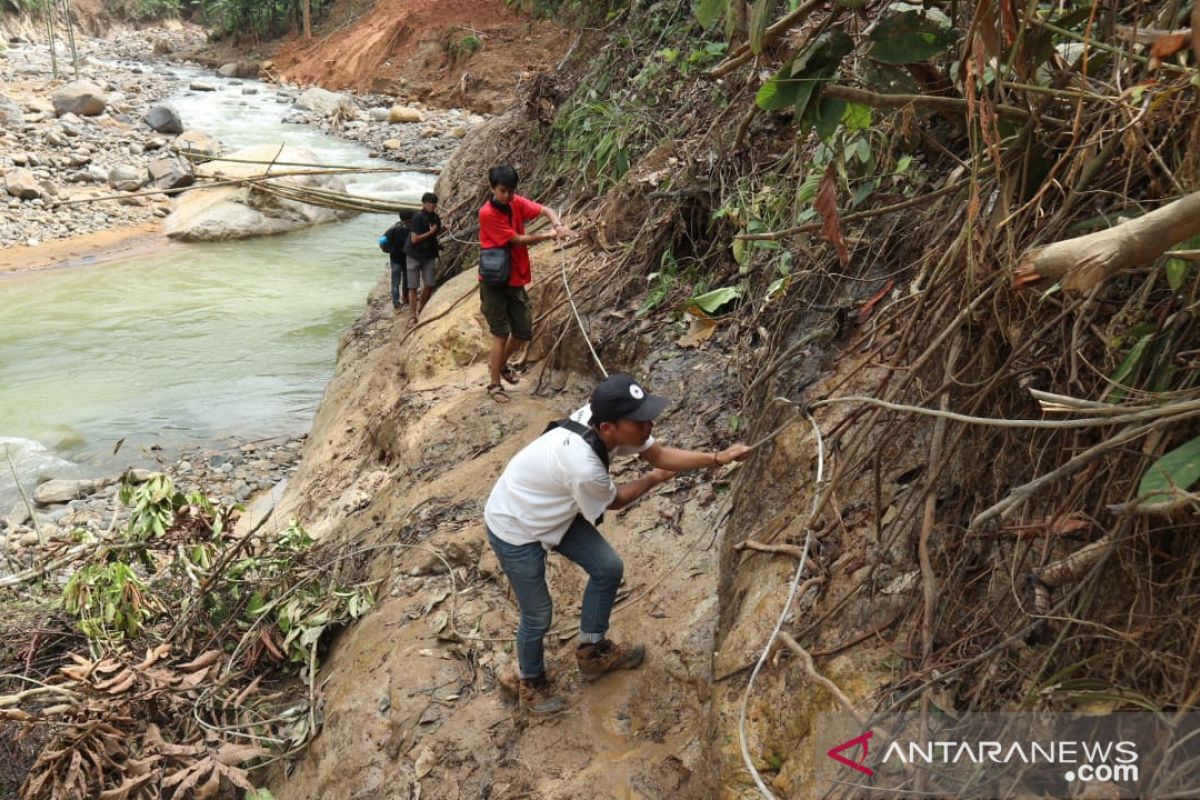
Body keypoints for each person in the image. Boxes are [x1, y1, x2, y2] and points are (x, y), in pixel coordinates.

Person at [484, 373, 753, 714]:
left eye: (646, 417)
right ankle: (531, 681)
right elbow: (617, 499)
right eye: (639, 421)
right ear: (609, 428)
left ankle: (592, 652)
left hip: (554, 509)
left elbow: (658, 454)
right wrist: (653, 480)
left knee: (607, 568)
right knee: (538, 614)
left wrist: (719, 457)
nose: (648, 426)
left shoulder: (600, 417)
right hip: (514, 525)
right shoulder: (583, 467)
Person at [477, 165, 574, 403]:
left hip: (514, 278)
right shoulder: (487, 213)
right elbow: (517, 240)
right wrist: (549, 236)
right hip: (494, 281)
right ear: (492, 188)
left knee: (522, 331)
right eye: (502, 191)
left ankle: (500, 365)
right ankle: (494, 384)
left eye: (510, 191)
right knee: (500, 333)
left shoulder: (516, 202)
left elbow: (545, 209)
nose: (507, 196)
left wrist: (558, 225)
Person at [404, 192, 442, 327]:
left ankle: (423, 309)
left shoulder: (435, 218)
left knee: (429, 284)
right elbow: (414, 239)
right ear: (424, 203)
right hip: (414, 255)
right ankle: (412, 316)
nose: (432, 205)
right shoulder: (417, 218)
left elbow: (437, 231)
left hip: (428, 255)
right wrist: (431, 233)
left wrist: (439, 231)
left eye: (434, 203)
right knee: (413, 286)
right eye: (429, 203)